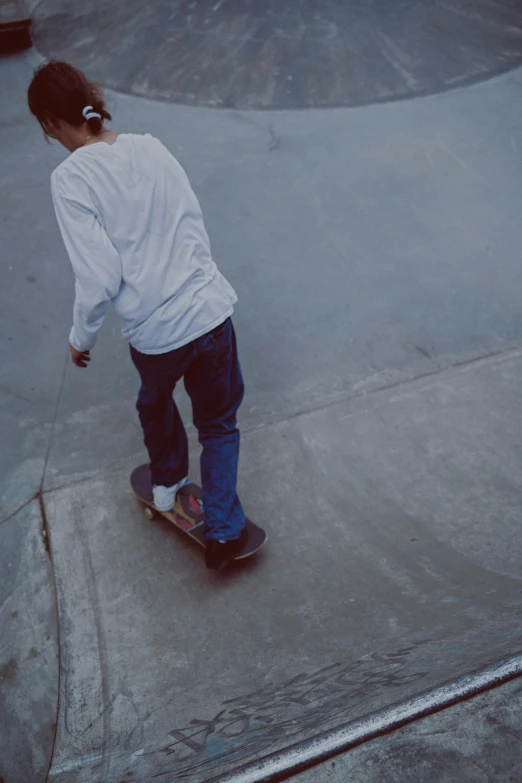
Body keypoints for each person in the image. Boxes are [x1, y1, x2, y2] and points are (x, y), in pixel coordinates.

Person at [28, 60, 247, 569]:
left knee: (155, 403)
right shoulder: (151, 146)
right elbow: (192, 223)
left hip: (157, 332)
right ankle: (224, 528)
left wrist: (81, 337)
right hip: (210, 313)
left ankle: (167, 485)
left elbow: (99, 275)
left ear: (49, 123)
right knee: (217, 425)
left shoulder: (70, 179)